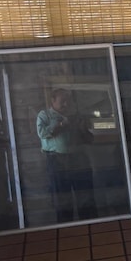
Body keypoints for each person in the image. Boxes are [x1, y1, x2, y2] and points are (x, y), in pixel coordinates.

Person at [36, 88, 96, 223]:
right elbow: (43, 134)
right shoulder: (44, 115)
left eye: (68, 101)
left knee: (85, 194)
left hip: (79, 158)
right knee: (62, 196)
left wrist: (82, 129)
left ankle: (90, 224)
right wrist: (61, 124)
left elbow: (90, 139)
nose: (66, 105)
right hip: (57, 159)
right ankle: (66, 228)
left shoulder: (77, 116)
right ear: (52, 100)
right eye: (63, 101)